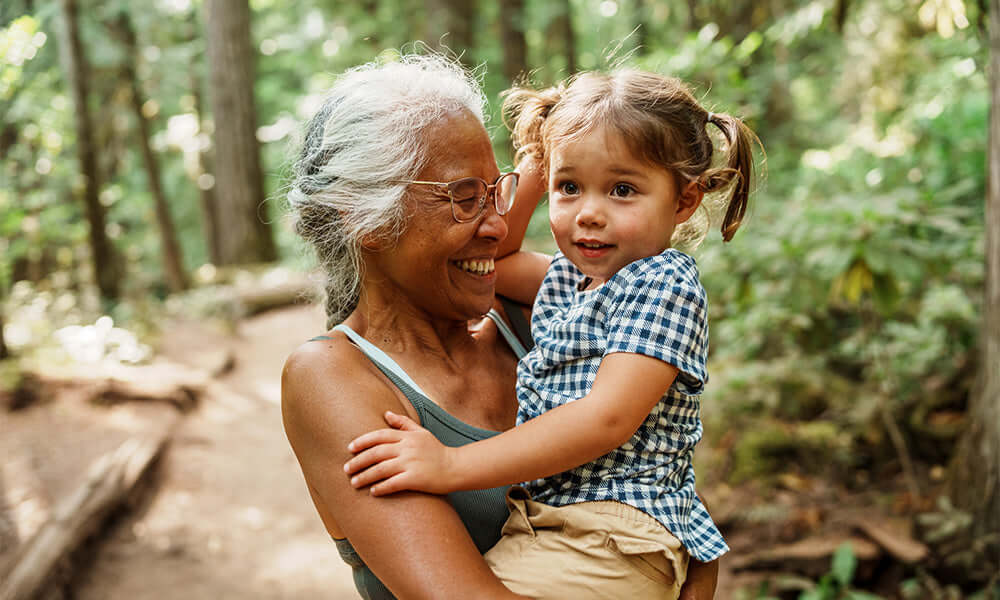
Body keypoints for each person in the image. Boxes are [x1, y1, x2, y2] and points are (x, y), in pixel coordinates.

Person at [344, 68, 760, 599]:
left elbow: (605, 418)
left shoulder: (664, 282)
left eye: (622, 190)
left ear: (683, 202)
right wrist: (537, 170)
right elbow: (497, 256)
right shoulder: (569, 279)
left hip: (615, 532)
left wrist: (450, 465)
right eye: (570, 187)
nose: (588, 213)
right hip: (556, 525)